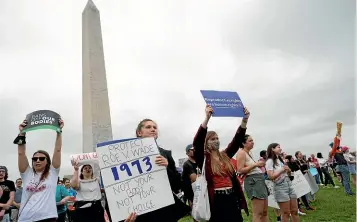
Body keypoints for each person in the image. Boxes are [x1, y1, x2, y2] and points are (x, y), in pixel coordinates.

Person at [193, 105, 249, 222]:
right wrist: (207, 119)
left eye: (217, 138)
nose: (216, 141)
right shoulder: (204, 158)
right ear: (206, 143)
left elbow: (236, 141)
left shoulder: (225, 155)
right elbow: (197, 143)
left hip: (232, 197)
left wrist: (245, 120)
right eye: (212, 139)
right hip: (216, 200)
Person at [134, 118, 190, 222]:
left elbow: (177, 185)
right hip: (141, 211)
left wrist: (167, 167)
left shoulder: (166, 154)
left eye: (155, 127)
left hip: (164, 210)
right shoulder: (128, 155)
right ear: (139, 133)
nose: (153, 129)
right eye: (148, 127)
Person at [13, 119, 64, 222]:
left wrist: (59, 132)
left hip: (47, 218)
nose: (38, 161)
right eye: (35, 159)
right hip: (25, 218)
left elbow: (57, 149)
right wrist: (22, 133)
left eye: (41, 158)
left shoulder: (53, 173)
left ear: (47, 161)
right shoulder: (27, 173)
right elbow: (21, 154)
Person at [236, 135, 269, 222]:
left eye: (252, 140)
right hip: (253, 181)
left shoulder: (249, 153)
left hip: (259, 180)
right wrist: (255, 164)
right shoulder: (241, 153)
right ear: (243, 143)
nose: (252, 142)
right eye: (250, 141)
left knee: (264, 212)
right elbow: (239, 170)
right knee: (258, 213)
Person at [266, 143, 299, 222]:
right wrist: (281, 170)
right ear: (272, 149)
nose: (280, 149)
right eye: (278, 147)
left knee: (294, 211)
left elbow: (288, 173)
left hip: (288, 184)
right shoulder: (270, 161)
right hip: (280, 187)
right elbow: (271, 176)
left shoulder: (280, 159)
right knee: (286, 213)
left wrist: (288, 171)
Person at [181, 144, 198, 209]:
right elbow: (195, 179)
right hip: (191, 192)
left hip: (198, 189)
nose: (194, 151)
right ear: (187, 153)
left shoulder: (198, 162)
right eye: (192, 150)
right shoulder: (187, 164)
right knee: (195, 212)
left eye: (195, 149)